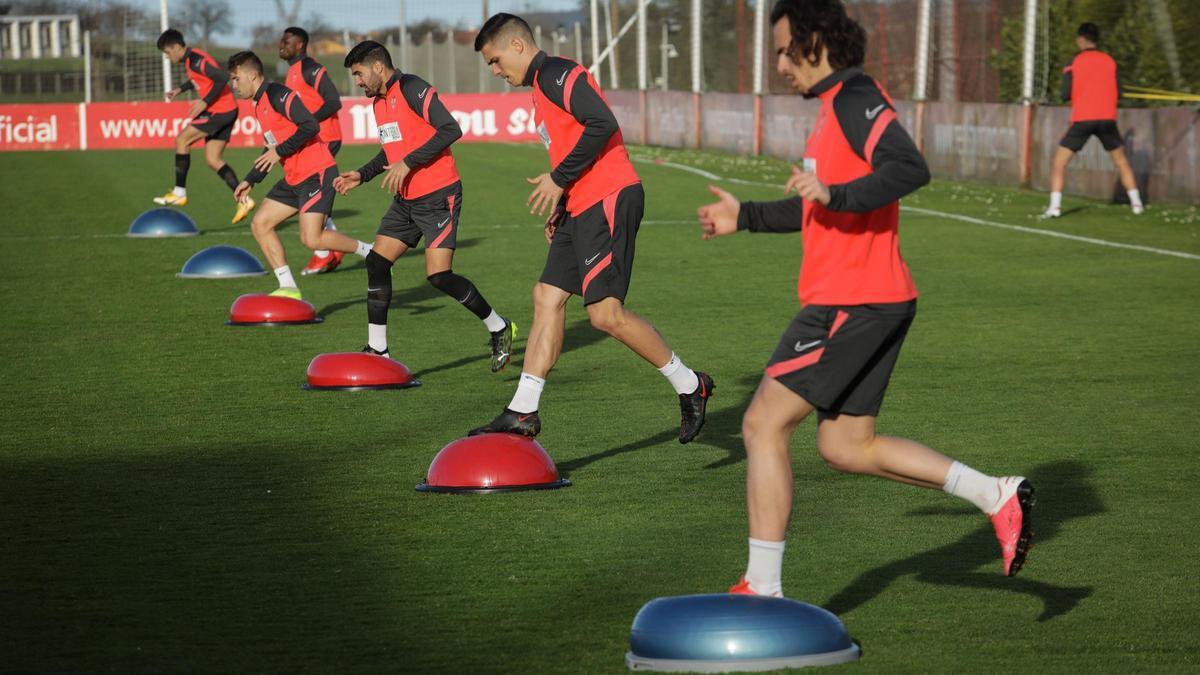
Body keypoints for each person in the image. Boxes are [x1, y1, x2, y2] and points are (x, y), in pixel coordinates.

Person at [696, 0, 1034, 597]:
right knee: (846, 446)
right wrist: (743, 216)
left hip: (853, 300)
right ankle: (995, 494)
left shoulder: (854, 97)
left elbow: (908, 166)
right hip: (871, 299)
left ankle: (764, 588)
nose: (778, 64)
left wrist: (834, 190)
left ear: (817, 39)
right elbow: (817, 205)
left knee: (761, 424)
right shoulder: (831, 108)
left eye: (783, 49)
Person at [469, 14, 713, 442]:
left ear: (518, 47)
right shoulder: (539, 90)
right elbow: (575, 141)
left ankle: (691, 385)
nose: (494, 71)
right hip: (580, 205)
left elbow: (603, 123)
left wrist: (559, 179)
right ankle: (523, 410)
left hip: (610, 197)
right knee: (546, 296)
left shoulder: (557, 73)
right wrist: (562, 203)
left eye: (495, 60)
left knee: (605, 315)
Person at [333, 41, 514, 370]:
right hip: (406, 199)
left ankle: (499, 327)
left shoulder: (413, 88)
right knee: (376, 262)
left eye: (358, 74)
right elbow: (391, 153)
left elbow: (451, 129)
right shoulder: (378, 103)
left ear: (377, 67)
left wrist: (409, 162)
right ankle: (378, 350)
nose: (357, 81)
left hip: (438, 195)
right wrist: (363, 174)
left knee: (439, 276)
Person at [225, 51, 372, 300]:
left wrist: (279, 151)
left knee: (311, 239)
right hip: (294, 178)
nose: (234, 85)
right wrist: (250, 179)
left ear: (252, 75)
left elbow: (310, 126)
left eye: (236, 79)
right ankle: (289, 287)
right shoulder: (258, 104)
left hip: (317, 173)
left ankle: (371, 253)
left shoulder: (278, 94)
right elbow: (271, 147)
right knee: (260, 224)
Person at [154, 29, 255, 224]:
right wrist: (180, 89)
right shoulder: (191, 61)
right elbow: (200, 79)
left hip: (220, 110)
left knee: (182, 140)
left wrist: (205, 102)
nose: (167, 57)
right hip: (227, 110)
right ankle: (244, 200)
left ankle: (179, 192)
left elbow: (220, 77)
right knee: (213, 159)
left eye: (167, 52)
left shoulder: (196, 60)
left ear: (176, 47)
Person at [1043, 22, 1143, 218]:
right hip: (1107, 118)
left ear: (1081, 39)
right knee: (1122, 162)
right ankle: (1137, 204)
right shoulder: (1110, 61)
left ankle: (1054, 207)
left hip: (1083, 119)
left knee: (1059, 163)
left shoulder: (1074, 62)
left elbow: (1065, 94)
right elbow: (1120, 92)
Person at [278, 26, 349, 276]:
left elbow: (333, 101)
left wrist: (308, 122)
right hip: (313, 140)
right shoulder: (293, 71)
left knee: (304, 191)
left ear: (300, 45)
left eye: (287, 41)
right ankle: (331, 247)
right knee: (306, 192)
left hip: (325, 138)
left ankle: (323, 252)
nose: (281, 44)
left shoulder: (309, 67)